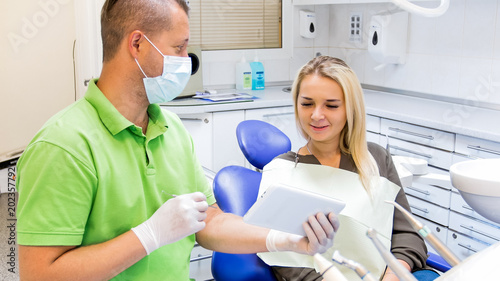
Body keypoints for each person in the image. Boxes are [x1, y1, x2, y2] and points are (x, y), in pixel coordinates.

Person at [15, 1, 339, 280]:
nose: (187, 59)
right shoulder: (64, 145)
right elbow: (40, 274)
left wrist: (285, 240)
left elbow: (208, 221)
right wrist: (148, 236)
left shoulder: (170, 127)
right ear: (137, 44)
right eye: (179, 48)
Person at [256, 56, 441, 281]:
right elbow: (285, 261)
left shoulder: (377, 159)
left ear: (350, 109)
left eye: (331, 105)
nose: (316, 115)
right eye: (307, 103)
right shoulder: (282, 171)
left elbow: (407, 234)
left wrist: (392, 275)